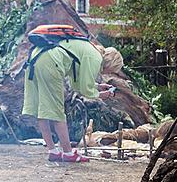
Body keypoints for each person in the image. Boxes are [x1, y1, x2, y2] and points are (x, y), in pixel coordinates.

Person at [22, 30, 114, 163]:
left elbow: (76, 83)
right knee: (57, 111)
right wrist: (100, 95)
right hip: (50, 62)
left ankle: (53, 151)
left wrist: (98, 87)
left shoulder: (83, 49)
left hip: (36, 58)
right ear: (110, 63)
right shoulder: (95, 57)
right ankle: (68, 153)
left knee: (42, 108)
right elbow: (84, 88)